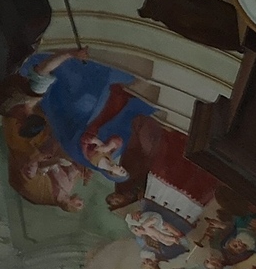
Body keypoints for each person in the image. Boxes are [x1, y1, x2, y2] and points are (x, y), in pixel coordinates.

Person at [20, 48, 156, 181]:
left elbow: (85, 139)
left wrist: (98, 142)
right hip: (99, 121)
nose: (121, 168)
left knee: (86, 100)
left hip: (92, 124)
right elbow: (118, 140)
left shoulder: (94, 160)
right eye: (123, 170)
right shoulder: (110, 157)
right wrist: (108, 146)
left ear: (111, 174)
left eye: (120, 172)